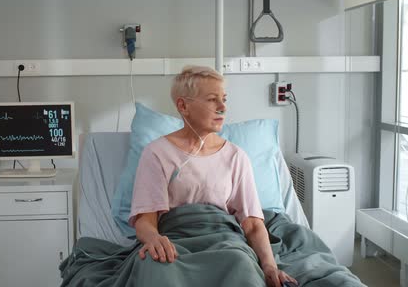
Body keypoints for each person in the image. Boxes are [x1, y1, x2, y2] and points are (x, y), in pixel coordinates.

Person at [128, 65, 298, 287]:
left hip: (225, 242)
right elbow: (145, 220)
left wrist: (269, 266)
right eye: (212, 99)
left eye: (224, 99)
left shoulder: (236, 157)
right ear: (183, 105)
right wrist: (154, 240)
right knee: (155, 266)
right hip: (174, 242)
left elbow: (253, 224)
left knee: (240, 263)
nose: (222, 108)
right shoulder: (157, 153)